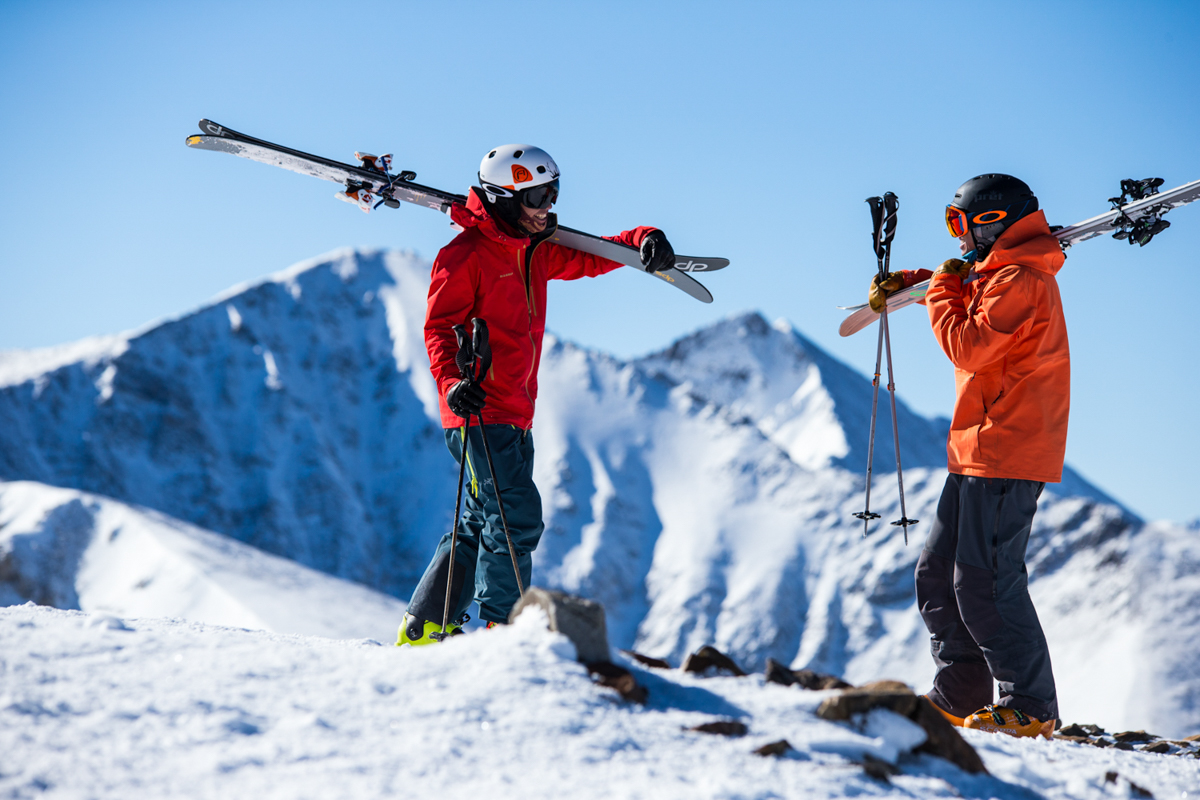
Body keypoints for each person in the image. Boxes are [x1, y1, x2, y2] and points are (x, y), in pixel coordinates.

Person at [398, 143, 675, 645]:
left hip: (515, 413)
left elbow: (595, 254)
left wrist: (642, 241)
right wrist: (453, 384)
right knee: (514, 519)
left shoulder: (535, 250)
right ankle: (501, 633)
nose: (548, 207)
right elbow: (439, 328)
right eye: (538, 197)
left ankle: (425, 626)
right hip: (476, 409)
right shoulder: (464, 255)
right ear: (503, 199)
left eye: (553, 193)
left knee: (481, 522)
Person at [870, 174, 1068, 739]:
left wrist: (937, 291)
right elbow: (970, 286)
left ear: (995, 224)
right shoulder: (999, 272)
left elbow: (970, 346)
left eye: (963, 226)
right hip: (977, 446)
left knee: (985, 581)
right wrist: (920, 280)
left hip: (1009, 446)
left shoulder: (1022, 279)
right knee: (937, 574)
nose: (957, 239)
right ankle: (961, 691)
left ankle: (1032, 706)